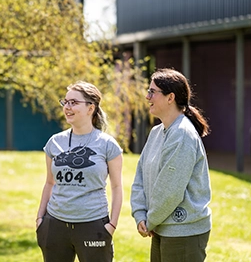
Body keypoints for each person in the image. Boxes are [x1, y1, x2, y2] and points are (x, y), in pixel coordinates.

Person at [36, 81, 123, 262]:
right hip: (55, 225)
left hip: (93, 225)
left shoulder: (107, 144)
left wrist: (112, 225)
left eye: (74, 102)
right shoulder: (54, 142)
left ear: (91, 108)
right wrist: (40, 220)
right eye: (65, 102)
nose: (67, 107)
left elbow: (116, 187)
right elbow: (49, 183)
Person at [130, 68, 212, 262]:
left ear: (170, 97)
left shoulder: (182, 134)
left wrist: (150, 220)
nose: (147, 96)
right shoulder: (157, 132)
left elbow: (170, 190)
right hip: (161, 226)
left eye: (152, 91)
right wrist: (140, 214)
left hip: (183, 231)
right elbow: (140, 176)